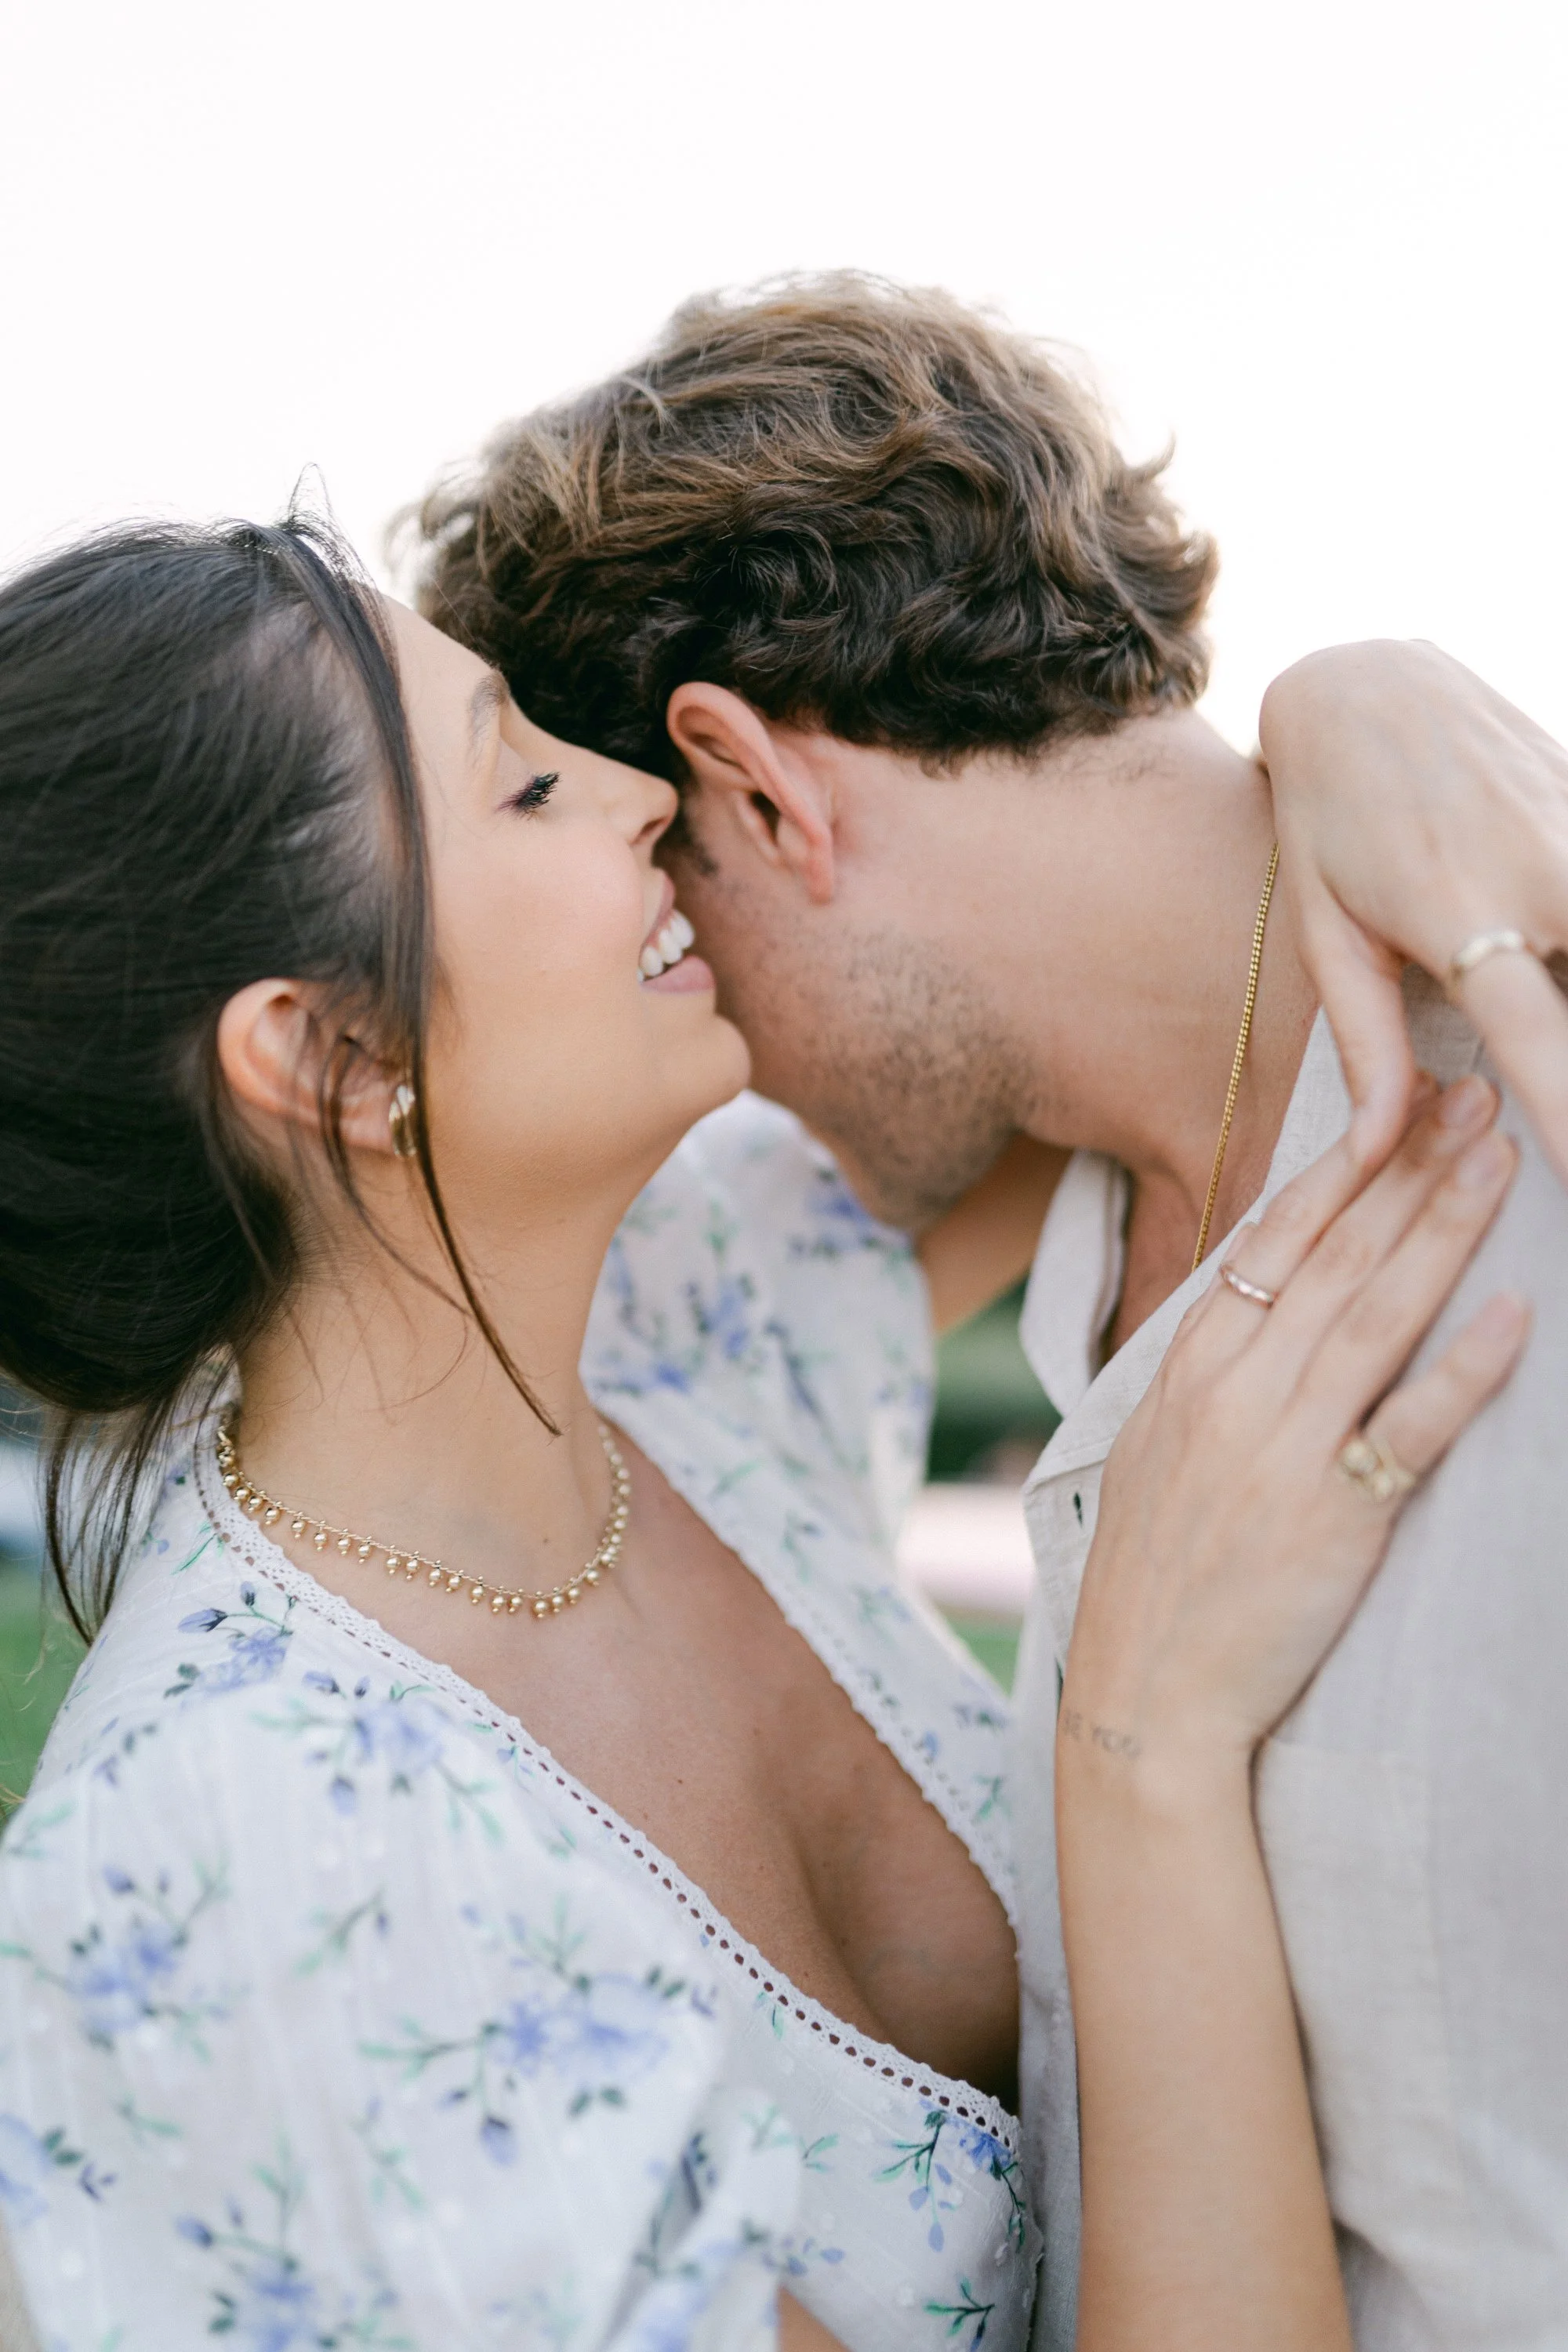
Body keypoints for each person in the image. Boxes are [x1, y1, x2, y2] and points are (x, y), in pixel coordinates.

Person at [0, 515, 1524, 2352]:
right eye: (522, 790)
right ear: (328, 1059)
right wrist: (1145, 1749)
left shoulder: (667, 1304)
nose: (639, 793)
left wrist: (1365, 713)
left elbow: (1134, 998)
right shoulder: (262, 1870)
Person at [408, 272, 1568, 2347]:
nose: (722, 1055)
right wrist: (1350, 693)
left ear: (756, 794)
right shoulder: (1068, 1218)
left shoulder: (1536, 1154)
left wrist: (1371, 689)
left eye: (684, 937)